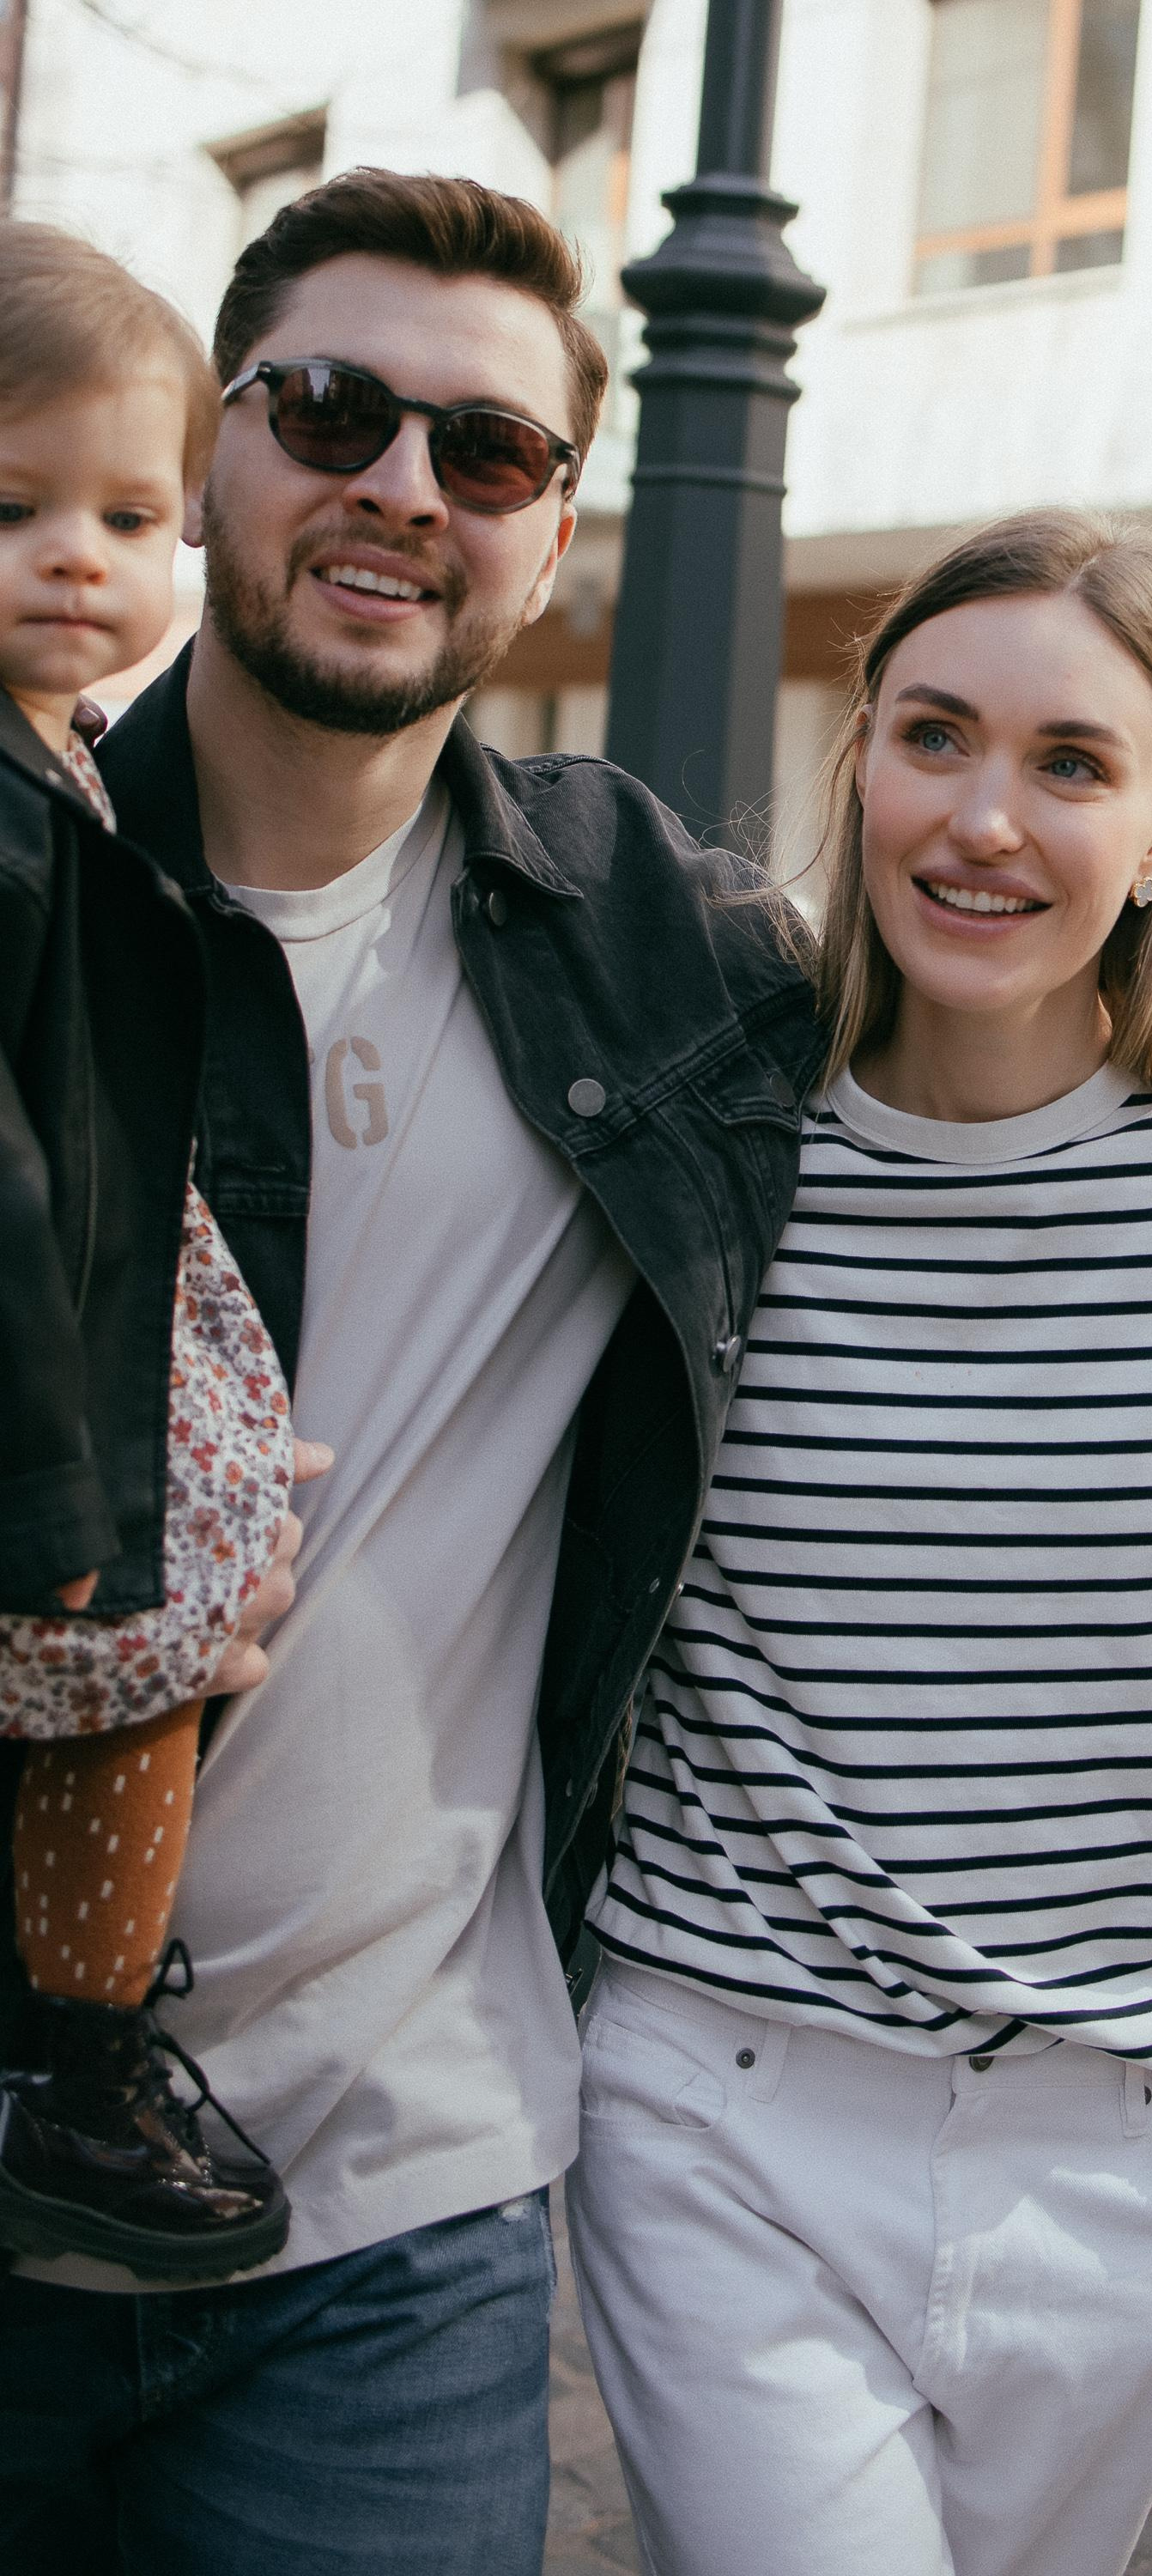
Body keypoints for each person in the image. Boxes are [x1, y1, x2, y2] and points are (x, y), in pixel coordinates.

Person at [0, 173, 1152, 2576]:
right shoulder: (23, 907)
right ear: (213, 445)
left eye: (484, 451)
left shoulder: (657, 964)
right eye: (334, 412)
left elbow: (1009, 1069)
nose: (404, 485)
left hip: (401, 2208)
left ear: (557, 532)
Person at [568, 510, 1152, 2576]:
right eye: (933, 735)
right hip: (719, 2104)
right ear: (858, 756)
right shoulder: (710, 1131)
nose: (981, 818)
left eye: (1068, 762)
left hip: (1117, 2149)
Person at [0, 224, 317, 2282]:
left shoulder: (58, 762)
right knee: (133, 1674)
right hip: (46, 1393)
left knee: (170, 1648)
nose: (75, 557)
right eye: (10, 507)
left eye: (127, 513)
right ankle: (78, 2074)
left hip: (95, 1350)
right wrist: (54, 1485)